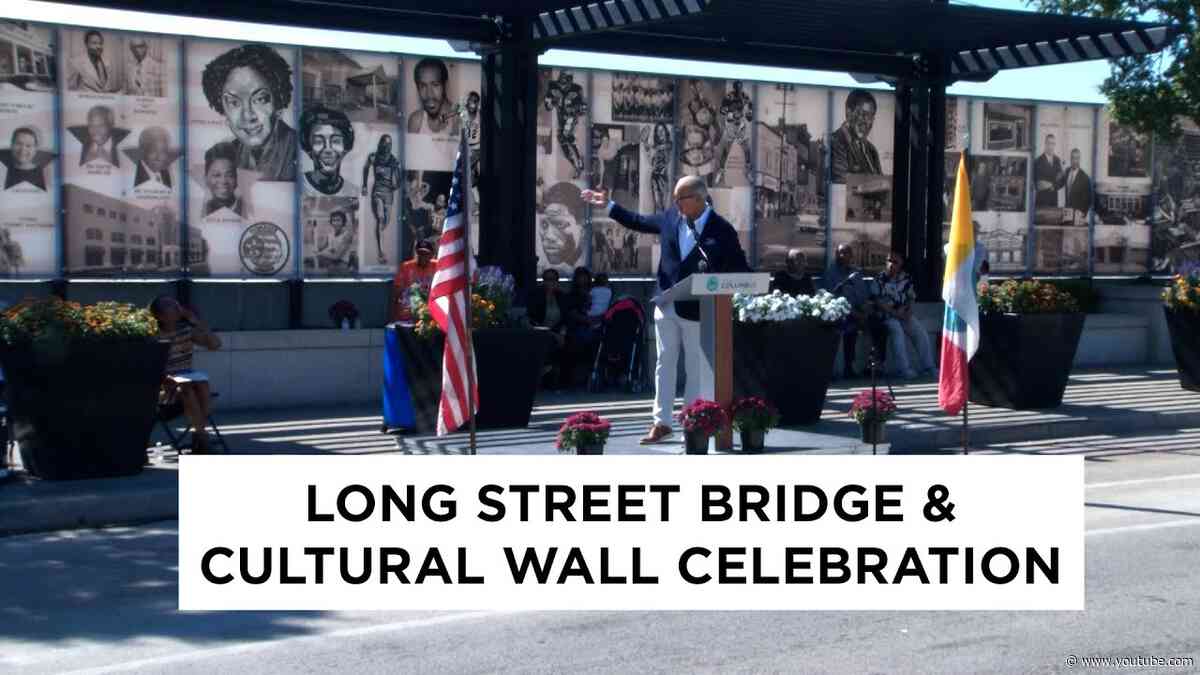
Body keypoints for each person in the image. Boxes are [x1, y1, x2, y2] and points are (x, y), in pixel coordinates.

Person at [583, 175, 750, 444]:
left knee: (695, 367)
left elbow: (739, 267)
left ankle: (693, 421)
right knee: (664, 364)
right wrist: (609, 205)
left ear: (699, 199)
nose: (675, 203)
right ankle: (661, 423)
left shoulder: (721, 229)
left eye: (680, 198)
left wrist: (747, 286)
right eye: (675, 198)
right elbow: (639, 221)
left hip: (699, 309)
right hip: (666, 303)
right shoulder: (672, 217)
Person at [201, 43, 297, 181]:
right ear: (222, 108)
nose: (248, 115)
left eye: (260, 99)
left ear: (278, 102)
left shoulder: (299, 150)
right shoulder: (223, 156)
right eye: (234, 102)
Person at [149, 296, 222, 454]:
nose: (176, 307)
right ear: (159, 316)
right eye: (170, 305)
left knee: (201, 384)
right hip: (166, 388)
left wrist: (196, 321)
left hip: (188, 380)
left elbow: (215, 344)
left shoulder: (186, 330)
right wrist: (164, 378)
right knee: (187, 390)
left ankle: (200, 436)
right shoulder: (153, 335)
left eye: (176, 303)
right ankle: (201, 438)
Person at [824, 243, 884, 378]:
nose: (842, 255)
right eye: (840, 253)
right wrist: (854, 313)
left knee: (878, 325)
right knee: (850, 329)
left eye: (846, 253)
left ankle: (874, 366)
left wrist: (865, 309)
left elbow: (864, 295)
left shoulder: (855, 273)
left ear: (851, 256)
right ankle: (848, 368)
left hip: (859, 311)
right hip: (841, 312)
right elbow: (832, 297)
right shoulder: (831, 273)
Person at [877, 252, 937, 379]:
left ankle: (929, 367)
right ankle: (904, 370)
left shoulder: (906, 278)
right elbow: (878, 302)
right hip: (886, 316)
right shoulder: (880, 279)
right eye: (889, 261)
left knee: (920, 333)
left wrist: (908, 310)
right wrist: (894, 313)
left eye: (895, 262)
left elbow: (911, 297)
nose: (891, 264)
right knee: (897, 331)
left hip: (903, 313)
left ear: (901, 264)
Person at [526, 268, 570, 389]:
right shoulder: (536, 295)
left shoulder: (562, 296)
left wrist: (562, 333)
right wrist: (553, 334)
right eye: (547, 279)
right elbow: (532, 319)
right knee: (548, 342)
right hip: (540, 330)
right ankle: (545, 372)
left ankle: (557, 377)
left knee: (569, 341)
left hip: (557, 331)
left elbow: (566, 318)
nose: (550, 282)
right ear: (543, 281)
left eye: (553, 280)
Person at [300, 105, 356, 196]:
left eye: (336, 141)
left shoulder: (352, 192)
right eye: (318, 141)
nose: (328, 149)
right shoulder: (299, 186)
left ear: (345, 148)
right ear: (308, 148)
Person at [363, 135, 401, 264]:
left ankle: (379, 236)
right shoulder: (373, 157)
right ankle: (381, 252)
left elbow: (399, 178)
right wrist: (364, 186)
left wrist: (396, 185)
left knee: (386, 221)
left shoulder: (393, 160)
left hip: (389, 194)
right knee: (380, 218)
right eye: (384, 143)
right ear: (381, 144)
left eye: (389, 144)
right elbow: (365, 168)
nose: (386, 146)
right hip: (377, 192)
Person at [831, 89, 882, 182]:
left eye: (871, 117)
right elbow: (843, 184)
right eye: (863, 114)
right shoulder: (834, 142)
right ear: (848, 113)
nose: (867, 122)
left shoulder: (872, 150)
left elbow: (880, 184)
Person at [407, 58, 459, 135]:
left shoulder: (460, 119)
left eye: (435, 85)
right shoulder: (416, 122)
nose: (429, 94)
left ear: (445, 85)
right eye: (423, 86)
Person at [391, 239, 436, 322]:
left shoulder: (437, 266)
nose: (422, 256)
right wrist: (393, 315)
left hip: (430, 310)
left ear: (432, 255)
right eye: (420, 253)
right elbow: (397, 292)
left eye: (426, 254)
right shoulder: (406, 267)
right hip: (409, 312)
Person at [2, 127, 49, 191]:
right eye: (18, 144)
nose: (23, 149)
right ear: (11, 145)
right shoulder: (3, 171)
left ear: (35, 149)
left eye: (28, 146)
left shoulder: (43, 174)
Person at [202, 142, 241, 217]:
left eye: (229, 175)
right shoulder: (198, 214)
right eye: (217, 175)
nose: (223, 181)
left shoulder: (247, 211)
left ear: (236, 178)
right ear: (205, 178)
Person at [1035, 134, 1066, 208]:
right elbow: (1038, 184)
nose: (1051, 146)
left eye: (1053, 144)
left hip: (1054, 202)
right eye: (1049, 143)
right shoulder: (1038, 161)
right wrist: (1054, 183)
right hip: (1041, 202)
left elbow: (1062, 181)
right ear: (1045, 144)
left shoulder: (1057, 160)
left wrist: (1054, 186)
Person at [1064, 148, 1092, 213]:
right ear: (1070, 159)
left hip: (1078, 214)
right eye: (1072, 158)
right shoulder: (1067, 171)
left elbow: (1088, 200)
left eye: (1077, 158)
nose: (1074, 161)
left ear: (1079, 159)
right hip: (1067, 211)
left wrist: (1081, 215)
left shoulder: (1085, 177)